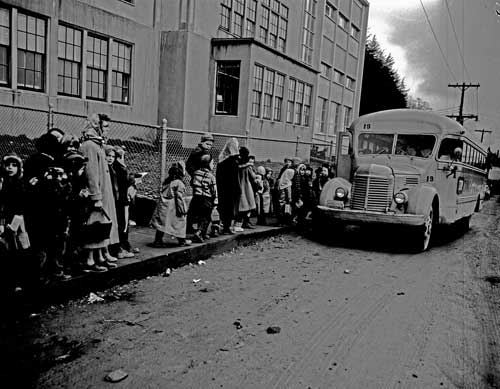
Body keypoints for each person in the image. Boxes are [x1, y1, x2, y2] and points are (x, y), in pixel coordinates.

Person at [79, 113, 119, 272]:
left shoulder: (98, 144)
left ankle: (102, 254)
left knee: (103, 224)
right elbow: (91, 173)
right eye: (105, 126)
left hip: (104, 190)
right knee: (95, 225)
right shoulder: (90, 146)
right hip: (98, 192)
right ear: (97, 126)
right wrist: (96, 196)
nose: (108, 130)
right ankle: (92, 258)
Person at [0, 152, 30, 293]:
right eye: (7, 165)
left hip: (18, 222)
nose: (10, 168)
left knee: (20, 251)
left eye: (14, 165)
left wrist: (15, 224)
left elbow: (22, 206)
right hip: (5, 221)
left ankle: (20, 282)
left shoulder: (20, 184)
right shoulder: (4, 183)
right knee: (8, 252)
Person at [151, 161, 191, 247]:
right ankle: (182, 241)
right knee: (180, 223)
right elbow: (179, 198)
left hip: (163, 207)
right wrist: (183, 209)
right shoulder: (179, 183)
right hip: (174, 208)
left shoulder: (166, 182)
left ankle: (158, 240)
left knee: (161, 225)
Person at [186, 132, 214, 232]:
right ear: (202, 143)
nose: (209, 146)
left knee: (198, 205)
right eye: (207, 144)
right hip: (198, 180)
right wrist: (195, 174)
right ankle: (191, 225)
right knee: (196, 204)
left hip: (204, 180)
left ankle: (195, 225)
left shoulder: (205, 153)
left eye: (210, 145)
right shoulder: (197, 152)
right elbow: (189, 165)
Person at [190, 154, 218, 243]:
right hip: (206, 199)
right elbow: (214, 190)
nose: (213, 165)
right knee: (206, 217)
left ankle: (203, 233)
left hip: (196, 197)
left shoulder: (196, 173)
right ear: (208, 164)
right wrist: (216, 200)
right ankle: (199, 232)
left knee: (199, 216)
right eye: (212, 163)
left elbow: (192, 183)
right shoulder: (211, 176)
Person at [216, 138, 241, 234]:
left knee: (225, 206)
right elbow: (234, 177)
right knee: (229, 207)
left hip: (223, 187)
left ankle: (226, 226)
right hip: (230, 188)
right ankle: (226, 226)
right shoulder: (232, 161)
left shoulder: (222, 160)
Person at [234, 146, 258, 232]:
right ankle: (239, 224)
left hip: (238, 185)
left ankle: (236, 224)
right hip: (245, 187)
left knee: (239, 206)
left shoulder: (236, 163)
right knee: (245, 206)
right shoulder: (247, 166)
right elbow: (253, 176)